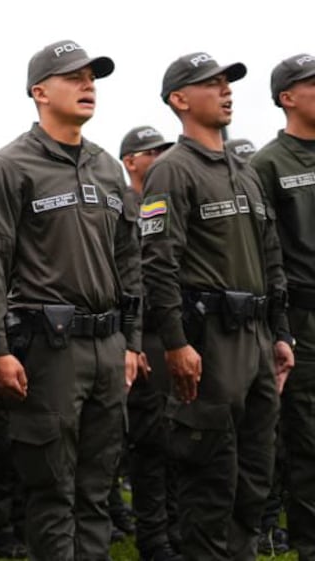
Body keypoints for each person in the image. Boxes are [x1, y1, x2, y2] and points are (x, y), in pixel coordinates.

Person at [0, 40, 142, 561]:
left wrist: (132, 342)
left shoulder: (110, 168)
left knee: (97, 489)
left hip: (108, 347)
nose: (88, 85)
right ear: (39, 92)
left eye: (92, 77)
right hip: (48, 348)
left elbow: (129, 261)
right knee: (50, 490)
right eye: (75, 77)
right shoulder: (8, 166)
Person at [140, 52, 294, 560]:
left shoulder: (246, 173)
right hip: (209, 339)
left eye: (228, 83)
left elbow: (271, 255)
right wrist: (176, 343)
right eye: (211, 84)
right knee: (209, 476)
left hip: (255, 339)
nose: (226, 90)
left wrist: (280, 332)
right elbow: (158, 263)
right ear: (179, 100)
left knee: (255, 474)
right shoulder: (172, 171)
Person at [250, 53, 315, 559]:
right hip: (302, 316)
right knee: (304, 438)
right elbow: (262, 251)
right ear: (286, 97)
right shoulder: (267, 164)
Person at [116, 126, 180, 561]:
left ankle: (174, 529)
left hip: (173, 332)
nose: (159, 157)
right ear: (130, 161)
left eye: (163, 150)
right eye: (150, 151)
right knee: (149, 440)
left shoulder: (168, 200)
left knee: (179, 438)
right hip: (140, 335)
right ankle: (153, 537)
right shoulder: (122, 203)